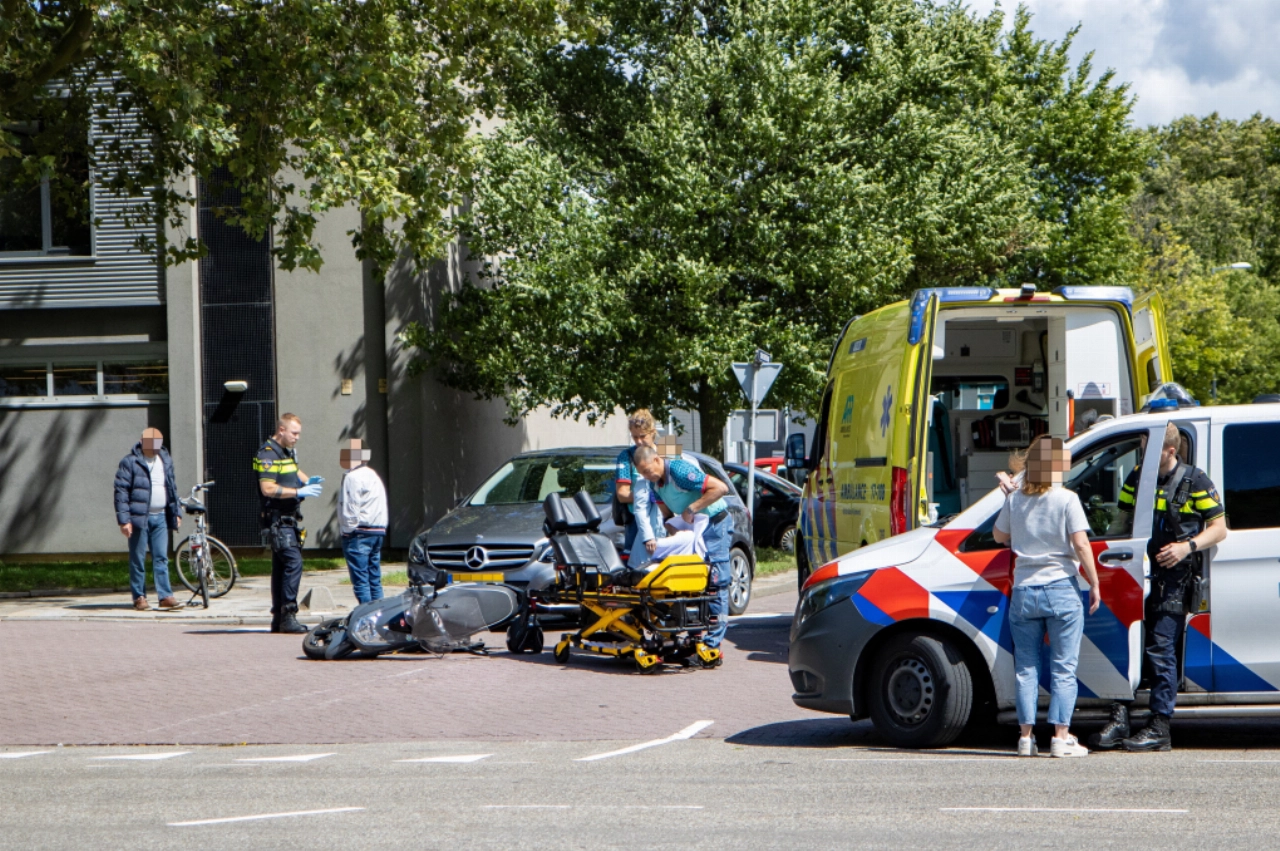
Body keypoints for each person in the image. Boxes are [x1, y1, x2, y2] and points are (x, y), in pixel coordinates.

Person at [1090, 423, 1227, 752]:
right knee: (1127, 646)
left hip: (1172, 580)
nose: (1142, 450)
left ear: (1169, 450)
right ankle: (1120, 717)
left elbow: (1219, 528)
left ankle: (1159, 726)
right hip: (1133, 574)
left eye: (1148, 445)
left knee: (1160, 650)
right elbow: (1121, 521)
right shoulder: (1138, 477)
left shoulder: (1195, 480)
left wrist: (1186, 547)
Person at [993, 436, 1102, 758]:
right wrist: (1094, 583)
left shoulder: (1015, 500)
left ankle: (1025, 738)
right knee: (1063, 668)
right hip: (1061, 589)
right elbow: (1081, 545)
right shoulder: (1067, 499)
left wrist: (1010, 497)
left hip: (1025, 591)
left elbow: (1000, 536)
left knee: (1026, 667)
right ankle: (1061, 737)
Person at [633, 444, 733, 656]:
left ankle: (713, 645)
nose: (647, 476)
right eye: (642, 473)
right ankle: (694, 639)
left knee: (716, 582)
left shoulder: (678, 471)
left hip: (715, 525)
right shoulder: (656, 484)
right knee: (693, 582)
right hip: (694, 530)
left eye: (648, 470)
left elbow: (720, 488)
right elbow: (666, 513)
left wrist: (692, 509)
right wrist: (671, 525)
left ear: (658, 460)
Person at [254, 414, 323, 634]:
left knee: (281, 567)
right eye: (294, 433)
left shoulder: (284, 452)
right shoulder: (268, 454)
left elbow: (293, 470)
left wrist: (307, 480)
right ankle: (288, 615)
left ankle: (278, 618)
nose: (297, 437)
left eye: (299, 433)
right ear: (281, 430)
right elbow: (267, 488)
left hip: (288, 519)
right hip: (278, 520)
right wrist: (299, 491)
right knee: (294, 563)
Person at [114, 427, 184, 611]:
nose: (154, 449)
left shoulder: (165, 460)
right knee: (137, 558)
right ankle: (139, 597)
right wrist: (124, 520)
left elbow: (171, 487)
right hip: (139, 518)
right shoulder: (130, 462)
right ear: (142, 442)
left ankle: (165, 596)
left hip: (160, 516)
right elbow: (121, 492)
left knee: (161, 557)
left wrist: (176, 512)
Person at [338, 438, 388, 604]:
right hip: (377, 530)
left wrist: (347, 530)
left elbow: (351, 506)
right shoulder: (374, 475)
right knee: (374, 578)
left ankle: (367, 618)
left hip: (359, 532)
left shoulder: (352, 477)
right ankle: (379, 615)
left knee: (361, 581)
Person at [615, 410, 664, 559]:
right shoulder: (626, 456)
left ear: (653, 432)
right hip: (637, 520)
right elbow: (622, 495)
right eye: (635, 437)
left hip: (666, 516)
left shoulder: (668, 448)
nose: (639, 442)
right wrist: (648, 497)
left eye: (643, 436)